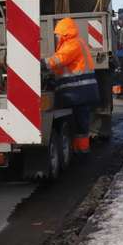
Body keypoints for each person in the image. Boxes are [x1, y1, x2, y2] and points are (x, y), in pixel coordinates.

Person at [42, 17, 100, 155]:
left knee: (80, 122)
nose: (56, 36)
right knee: (80, 121)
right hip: (82, 91)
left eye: (58, 34)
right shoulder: (77, 42)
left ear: (64, 33)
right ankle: (80, 149)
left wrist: (40, 63)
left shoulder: (72, 44)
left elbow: (60, 59)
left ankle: (81, 150)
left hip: (78, 92)